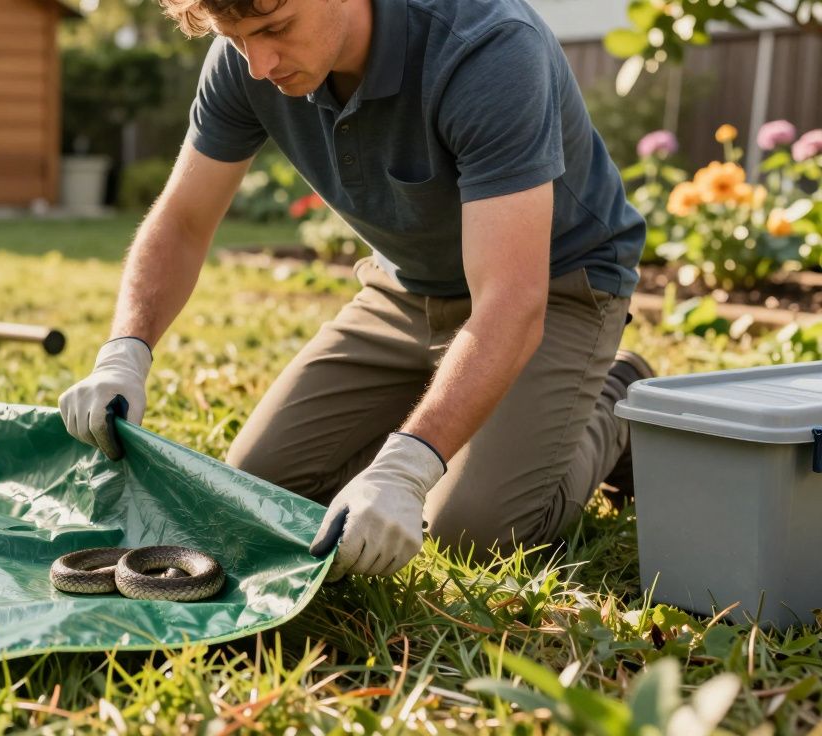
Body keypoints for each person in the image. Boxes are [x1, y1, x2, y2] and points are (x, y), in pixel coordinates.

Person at [58, 0, 655, 581]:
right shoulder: (243, 62)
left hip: (555, 288)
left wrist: (406, 465)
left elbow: (511, 301)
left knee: (472, 531)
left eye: (276, 28)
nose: (259, 64)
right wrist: (125, 351)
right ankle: (439, 405)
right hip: (404, 290)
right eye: (238, 40)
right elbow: (183, 222)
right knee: (259, 489)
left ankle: (618, 395)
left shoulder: (487, 47)